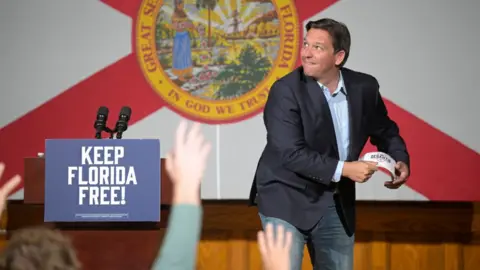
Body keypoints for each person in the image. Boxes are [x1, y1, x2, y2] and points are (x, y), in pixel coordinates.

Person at [249, 18, 410, 270]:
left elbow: (385, 130)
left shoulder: (364, 87)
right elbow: (291, 153)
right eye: (305, 44)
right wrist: (347, 169)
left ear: (339, 56)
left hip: (334, 200)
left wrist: (398, 157)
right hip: (285, 196)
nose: (306, 53)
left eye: (317, 47)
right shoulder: (285, 91)